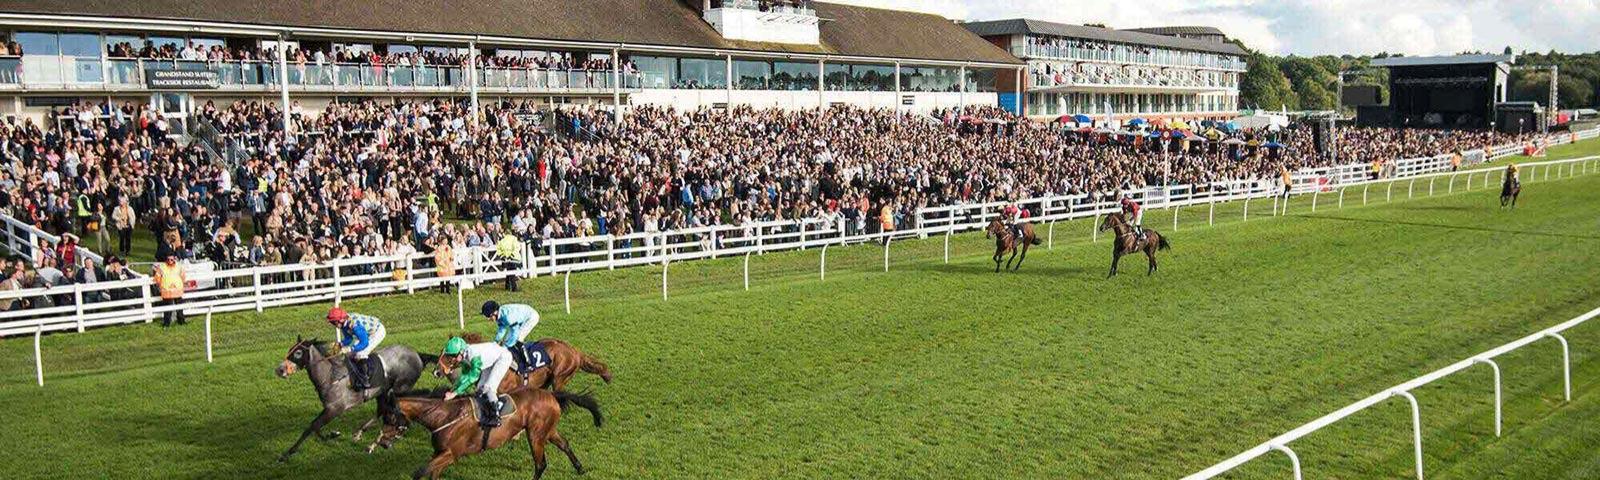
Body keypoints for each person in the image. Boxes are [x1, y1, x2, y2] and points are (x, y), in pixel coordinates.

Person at [441, 336, 515, 441]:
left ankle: (496, 417)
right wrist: (453, 389)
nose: (452, 359)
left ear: (461, 352)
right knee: (480, 387)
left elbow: (473, 377)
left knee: (489, 387)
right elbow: (465, 376)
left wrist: (455, 394)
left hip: (503, 358)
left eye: (453, 356)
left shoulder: (473, 355)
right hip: (491, 360)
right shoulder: (463, 357)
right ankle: (486, 409)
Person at [327, 307, 385, 390]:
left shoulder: (355, 325)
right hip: (364, 333)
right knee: (352, 354)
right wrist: (340, 344)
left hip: (377, 332)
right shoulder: (344, 323)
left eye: (333, 322)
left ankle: (366, 380)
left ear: (339, 320)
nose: (333, 325)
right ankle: (356, 374)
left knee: (360, 354)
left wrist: (350, 349)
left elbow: (364, 343)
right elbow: (349, 339)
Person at [483, 300, 540, 372]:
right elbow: (502, 329)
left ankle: (528, 363)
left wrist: (506, 346)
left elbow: (515, 334)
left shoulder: (508, 317)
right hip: (519, 319)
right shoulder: (500, 315)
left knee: (518, 339)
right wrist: (496, 341)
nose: (488, 319)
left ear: (495, 312)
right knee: (507, 341)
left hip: (531, 317)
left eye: (488, 316)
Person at [152, 254, 187, 327]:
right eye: (168, 259)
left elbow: (183, 276)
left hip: (177, 289)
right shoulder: (161, 267)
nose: (170, 261)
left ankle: (181, 321)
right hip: (167, 290)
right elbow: (157, 278)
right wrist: (161, 285)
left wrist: (180, 284)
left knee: (179, 307)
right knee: (167, 309)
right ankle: (166, 323)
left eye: (171, 259)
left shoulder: (179, 266)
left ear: (174, 259)